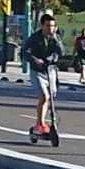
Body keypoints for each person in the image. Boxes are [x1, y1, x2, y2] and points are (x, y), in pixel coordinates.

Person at [21, 10, 66, 141]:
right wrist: (35, 60)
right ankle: (40, 123)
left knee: (50, 97)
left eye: (52, 26)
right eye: (48, 25)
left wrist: (56, 39)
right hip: (37, 71)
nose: (50, 28)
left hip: (51, 70)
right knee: (44, 96)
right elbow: (24, 53)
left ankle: (45, 123)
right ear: (42, 26)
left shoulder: (56, 38)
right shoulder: (34, 38)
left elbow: (61, 52)